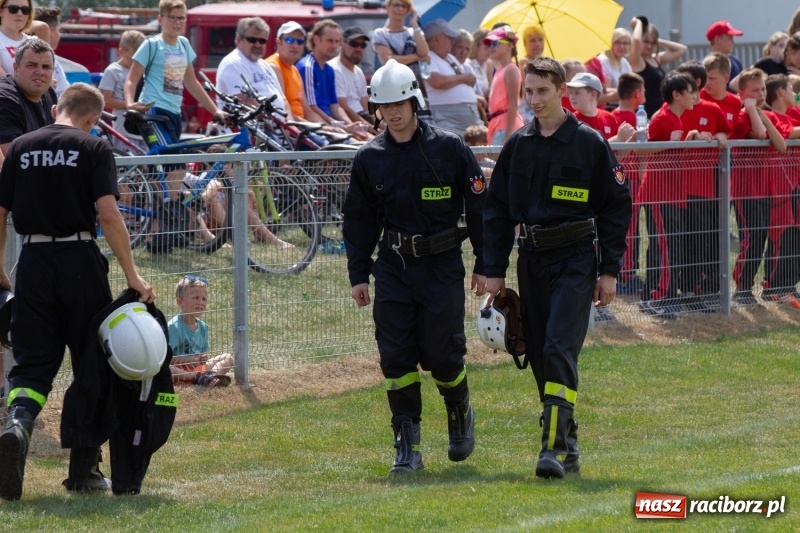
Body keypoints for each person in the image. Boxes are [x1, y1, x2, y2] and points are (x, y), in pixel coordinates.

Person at [0, 82, 155, 501]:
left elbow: (0, 211)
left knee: (31, 365)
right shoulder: (94, 148)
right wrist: (133, 276)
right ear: (92, 119)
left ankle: (17, 425)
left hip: (31, 262)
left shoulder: (20, 148)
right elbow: (108, 214)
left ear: (56, 110)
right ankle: (84, 469)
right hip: (80, 262)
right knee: (91, 363)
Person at [481, 57, 631, 478]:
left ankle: (549, 451)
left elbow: (616, 207)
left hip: (577, 257)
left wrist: (609, 270)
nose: (534, 99)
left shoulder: (589, 143)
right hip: (531, 259)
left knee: (559, 348)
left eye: (542, 91)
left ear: (562, 91)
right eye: (528, 91)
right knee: (541, 355)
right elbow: (496, 211)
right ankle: (568, 442)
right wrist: (493, 267)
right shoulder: (517, 144)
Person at [342, 59, 486, 474]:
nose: (393, 112)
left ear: (414, 100)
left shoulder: (449, 148)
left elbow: (479, 207)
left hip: (442, 266)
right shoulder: (369, 158)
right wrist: (358, 273)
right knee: (396, 357)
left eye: (400, 103)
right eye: (384, 105)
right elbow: (358, 220)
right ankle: (407, 444)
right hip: (393, 268)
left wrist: (485, 261)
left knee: (443, 354)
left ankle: (459, 408)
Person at [124, 0, 226, 201]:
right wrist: (129, 103)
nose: (177, 22)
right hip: (153, 113)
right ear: (160, 19)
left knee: (161, 170)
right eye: (172, 18)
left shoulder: (184, 44)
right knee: (175, 164)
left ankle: (157, 222)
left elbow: (192, 83)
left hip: (174, 114)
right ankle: (170, 213)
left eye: (182, 18)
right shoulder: (151, 45)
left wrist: (215, 110)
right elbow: (131, 79)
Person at [638, 72, 702, 319]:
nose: (694, 96)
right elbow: (646, 147)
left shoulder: (676, 117)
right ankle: (654, 298)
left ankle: (664, 295)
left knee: (670, 246)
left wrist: (689, 138)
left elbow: (673, 147)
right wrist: (673, 142)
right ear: (677, 95)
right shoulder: (663, 117)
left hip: (672, 192)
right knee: (662, 247)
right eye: (690, 91)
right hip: (659, 193)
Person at [674, 61, 731, 310]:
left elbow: (725, 133)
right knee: (684, 240)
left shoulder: (713, 109)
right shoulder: (673, 109)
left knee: (706, 238)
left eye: (682, 79)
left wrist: (720, 136)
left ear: (696, 83)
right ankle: (686, 288)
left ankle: (708, 289)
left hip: (705, 187)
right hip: (677, 188)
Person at [729, 68, 788, 305]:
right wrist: (752, 108)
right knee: (752, 239)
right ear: (743, 93)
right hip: (747, 190)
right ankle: (742, 289)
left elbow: (781, 145)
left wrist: (763, 115)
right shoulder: (744, 114)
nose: (761, 93)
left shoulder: (768, 115)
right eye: (755, 90)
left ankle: (750, 287)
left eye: (763, 89)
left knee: (762, 238)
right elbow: (760, 134)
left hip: (766, 188)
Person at [611, 72, 646, 296]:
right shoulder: (636, 119)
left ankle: (625, 273)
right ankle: (626, 276)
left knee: (625, 230)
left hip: (617, 179)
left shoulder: (610, 115)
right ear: (636, 94)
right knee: (630, 231)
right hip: (630, 179)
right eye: (643, 90)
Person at [215, 17, 289, 119]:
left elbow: (284, 101)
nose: (258, 44)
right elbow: (246, 104)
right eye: (252, 40)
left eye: (262, 41)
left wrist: (291, 127)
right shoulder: (233, 64)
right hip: (254, 131)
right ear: (238, 39)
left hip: (278, 130)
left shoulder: (265, 66)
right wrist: (276, 130)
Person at [0, 37, 57, 167]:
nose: (40, 72)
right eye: (31, 65)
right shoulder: (5, 99)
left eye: (46, 67)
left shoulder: (48, 92)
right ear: (16, 68)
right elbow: (11, 158)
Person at [168, 276, 233, 388]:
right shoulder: (174, 327)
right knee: (165, 369)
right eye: (195, 298)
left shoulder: (203, 327)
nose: (200, 302)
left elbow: (201, 354)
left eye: (204, 299)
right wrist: (187, 361)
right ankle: (200, 378)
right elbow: (164, 359)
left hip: (199, 369)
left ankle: (210, 376)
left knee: (228, 358)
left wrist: (202, 358)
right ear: (180, 302)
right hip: (181, 371)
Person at [422, 18, 481, 134]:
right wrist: (464, 78)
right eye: (449, 38)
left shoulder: (450, 57)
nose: (452, 42)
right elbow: (436, 81)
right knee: (451, 148)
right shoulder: (426, 57)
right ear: (435, 40)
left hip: (469, 116)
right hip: (447, 118)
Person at [266, 21, 326, 123]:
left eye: (300, 41)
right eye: (289, 40)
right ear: (278, 42)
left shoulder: (294, 70)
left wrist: (330, 129)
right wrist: (316, 128)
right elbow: (283, 112)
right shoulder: (273, 67)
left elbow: (308, 112)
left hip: (301, 128)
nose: (295, 45)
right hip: (289, 131)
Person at [98, 29, 147, 153]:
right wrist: (130, 105)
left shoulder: (144, 70)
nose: (137, 62)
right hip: (123, 126)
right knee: (128, 163)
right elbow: (104, 100)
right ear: (120, 52)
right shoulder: (113, 71)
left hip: (144, 124)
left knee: (148, 164)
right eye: (133, 58)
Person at [628, 16, 687, 117]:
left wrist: (658, 40)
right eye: (646, 41)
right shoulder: (637, 61)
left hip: (660, 111)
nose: (649, 46)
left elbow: (682, 49)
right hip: (645, 113)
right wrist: (638, 23)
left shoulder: (656, 58)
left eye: (652, 43)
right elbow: (636, 41)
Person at [297, 19, 351, 126]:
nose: (334, 46)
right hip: (316, 126)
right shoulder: (307, 67)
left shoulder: (329, 70)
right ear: (316, 40)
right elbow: (311, 107)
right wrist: (336, 124)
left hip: (330, 124)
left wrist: (349, 125)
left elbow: (334, 106)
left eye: (337, 41)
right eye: (330, 41)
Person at [566, 72, 635, 142]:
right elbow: (589, 151)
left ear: (593, 94)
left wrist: (632, 139)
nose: (572, 97)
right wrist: (618, 139)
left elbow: (617, 152)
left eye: (577, 93)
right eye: (571, 93)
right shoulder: (571, 122)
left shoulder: (609, 117)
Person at [483, 26, 523, 145]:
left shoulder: (511, 70)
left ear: (509, 46)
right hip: (498, 127)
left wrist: (508, 135)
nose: (491, 47)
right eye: (490, 44)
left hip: (506, 128)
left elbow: (513, 105)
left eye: (495, 43)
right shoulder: (500, 69)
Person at [371, 0, 429, 79]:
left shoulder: (413, 32)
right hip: (392, 84)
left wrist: (415, 25)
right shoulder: (380, 34)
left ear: (408, 11)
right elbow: (388, 60)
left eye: (404, 6)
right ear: (388, 7)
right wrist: (417, 57)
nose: (400, 9)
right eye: (396, 5)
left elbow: (424, 53)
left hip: (414, 83)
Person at [328, 25, 373, 124]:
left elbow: (365, 103)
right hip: (349, 122)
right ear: (341, 43)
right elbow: (343, 107)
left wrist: (378, 124)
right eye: (354, 43)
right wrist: (370, 128)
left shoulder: (359, 71)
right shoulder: (333, 69)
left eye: (363, 45)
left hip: (362, 118)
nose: (359, 48)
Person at [32, 6, 68, 97]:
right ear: (50, 31)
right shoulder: (37, 58)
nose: (59, 34)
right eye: (58, 30)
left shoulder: (51, 57)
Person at [700, 52, 742, 131]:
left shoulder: (736, 102)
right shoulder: (696, 98)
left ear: (726, 79)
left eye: (712, 78)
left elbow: (734, 132)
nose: (707, 82)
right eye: (705, 77)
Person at [595, 28, 633, 107]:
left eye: (625, 43)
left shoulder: (625, 63)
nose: (621, 46)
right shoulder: (603, 61)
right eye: (617, 42)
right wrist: (626, 92)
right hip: (608, 107)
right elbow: (605, 91)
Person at [517, 25, 546, 123]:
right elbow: (528, 90)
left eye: (540, 40)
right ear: (525, 44)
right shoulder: (524, 62)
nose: (538, 44)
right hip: (527, 110)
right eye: (533, 41)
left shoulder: (545, 62)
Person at [706, 20, 744, 92]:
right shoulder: (705, 65)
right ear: (717, 39)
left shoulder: (736, 62)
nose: (733, 42)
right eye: (730, 38)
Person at [0, 0, 32, 77]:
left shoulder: (33, 41)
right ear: (1, 12)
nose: (20, 14)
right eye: (13, 9)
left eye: (25, 10)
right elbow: (3, 80)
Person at [467, 28, 492, 100]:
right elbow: (471, 93)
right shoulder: (468, 65)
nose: (490, 51)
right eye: (486, 48)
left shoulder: (485, 65)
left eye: (491, 47)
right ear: (476, 46)